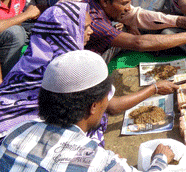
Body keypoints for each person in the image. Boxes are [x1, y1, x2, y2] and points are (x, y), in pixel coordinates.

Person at [0, 2, 179, 144]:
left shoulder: (32, 58)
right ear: (65, 33)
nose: (90, 32)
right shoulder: (68, 68)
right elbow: (110, 106)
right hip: (24, 136)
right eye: (84, 28)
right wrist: (154, 88)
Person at [0, 50, 176, 170]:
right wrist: (160, 160)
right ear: (93, 106)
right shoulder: (99, 162)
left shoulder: (17, 131)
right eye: (106, 99)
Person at [0, 0, 40, 79]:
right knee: (16, 33)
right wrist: (26, 14)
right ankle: (10, 81)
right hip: (10, 37)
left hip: (11, 38)